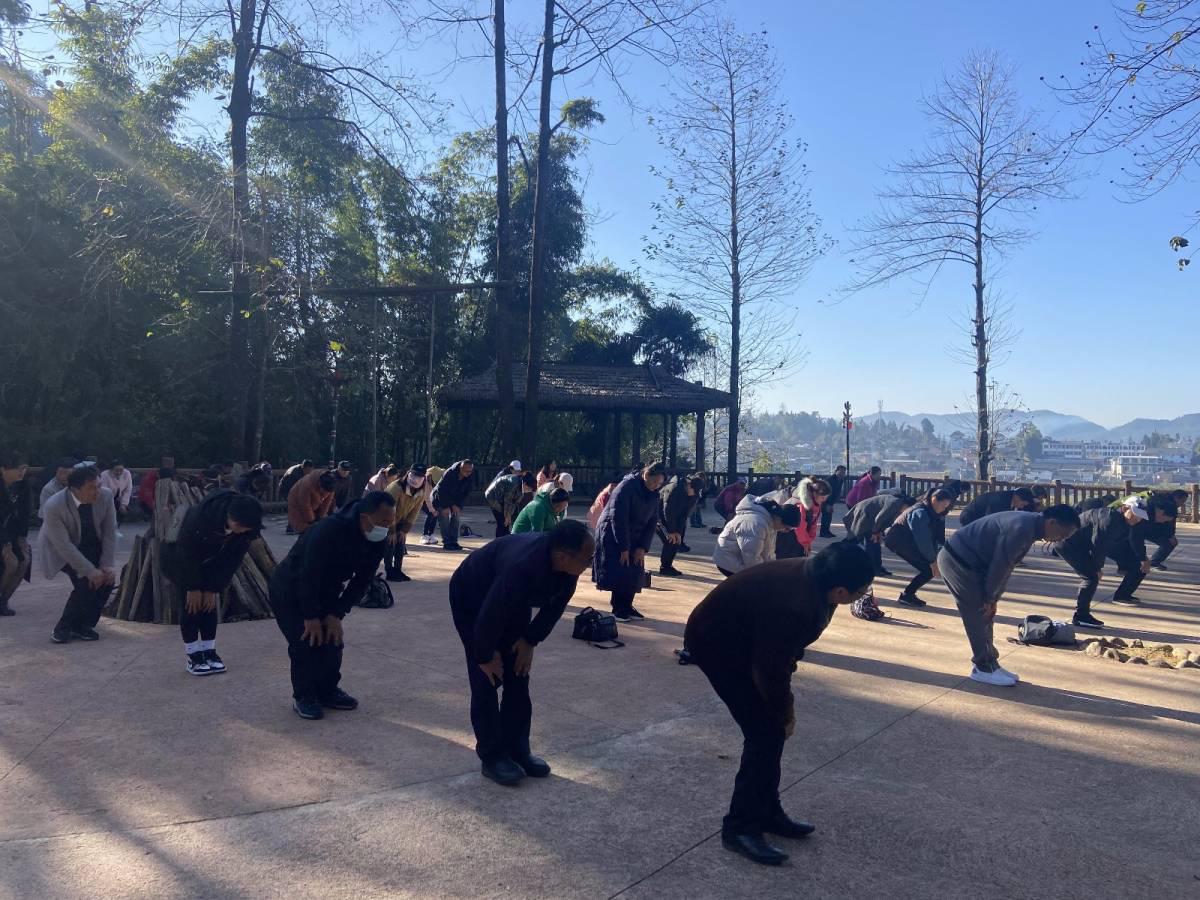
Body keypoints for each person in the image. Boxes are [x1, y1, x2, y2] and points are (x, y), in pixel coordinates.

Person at [685, 542, 875, 866]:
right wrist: (786, 713)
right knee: (764, 734)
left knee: (769, 734)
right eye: (861, 592)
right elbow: (770, 670)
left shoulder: (817, 579)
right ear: (841, 591)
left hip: (747, 640)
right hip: (717, 645)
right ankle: (739, 827)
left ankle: (767, 811)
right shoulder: (795, 603)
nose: (863, 596)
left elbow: (782, 650)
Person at [449, 520, 595, 785]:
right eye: (588, 559)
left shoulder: (569, 569)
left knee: (518, 675)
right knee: (486, 681)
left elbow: (554, 609)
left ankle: (518, 749)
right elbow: (491, 613)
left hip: (512, 601)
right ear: (563, 556)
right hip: (472, 597)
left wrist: (529, 640)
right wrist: (484, 655)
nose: (590, 564)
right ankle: (492, 757)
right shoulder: (522, 566)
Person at [268, 491, 396, 720]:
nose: (387, 528)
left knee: (332, 639)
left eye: (391, 522)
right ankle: (304, 696)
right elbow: (309, 575)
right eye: (384, 522)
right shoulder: (328, 530)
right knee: (305, 641)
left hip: (327, 589)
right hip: (291, 589)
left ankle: (328, 691)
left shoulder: (377, 539)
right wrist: (311, 616)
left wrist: (337, 613)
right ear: (365, 517)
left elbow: (362, 580)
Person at [938, 505, 1080, 686]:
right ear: (1052, 522)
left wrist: (993, 598)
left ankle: (991, 662)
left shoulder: (1031, 526)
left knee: (986, 614)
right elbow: (1001, 566)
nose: (1060, 539)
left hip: (972, 564)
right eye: (1063, 534)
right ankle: (982, 667)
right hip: (957, 561)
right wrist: (989, 598)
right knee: (977, 613)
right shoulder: (1022, 528)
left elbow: (1006, 567)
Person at [161, 490, 263, 675]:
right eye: (240, 526)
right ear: (230, 517)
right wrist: (192, 587)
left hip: (212, 563)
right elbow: (185, 554)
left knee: (208, 605)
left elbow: (231, 561)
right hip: (180, 561)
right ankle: (193, 655)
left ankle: (209, 651)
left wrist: (213, 588)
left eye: (246, 528)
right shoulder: (199, 518)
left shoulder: (246, 531)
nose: (242, 531)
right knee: (191, 607)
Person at [1056, 496, 1174, 628]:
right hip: (1068, 544)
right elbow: (1098, 545)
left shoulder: (1127, 521)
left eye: (1140, 517)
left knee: (1094, 575)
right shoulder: (1109, 520)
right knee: (1091, 577)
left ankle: (1083, 614)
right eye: (1135, 515)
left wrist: (1141, 558)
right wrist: (1097, 568)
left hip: (1082, 544)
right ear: (1124, 508)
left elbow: (1134, 539)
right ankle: (1081, 616)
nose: (1137, 519)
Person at [36, 465, 118, 644]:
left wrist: (107, 564)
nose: (97, 491)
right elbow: (63, 545)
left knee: (106, 581)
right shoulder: (54, 505)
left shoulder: (106, 496)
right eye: (92, 488)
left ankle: (84, 626)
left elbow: (109, 531)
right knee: (86, 583)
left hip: (91, 543)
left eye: (99, 485)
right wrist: (89, 571)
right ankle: (62, 629)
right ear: (75, 489)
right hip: (60, 548)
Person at [592, 462, 666, 621]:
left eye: (659, 483)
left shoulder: (654, 494)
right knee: (621, 567)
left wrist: (642, 547)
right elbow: (618, 518)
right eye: (654, 481)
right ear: (646, 475)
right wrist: (624, 547)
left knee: (635, 568)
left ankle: (627, 605)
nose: (656, 486)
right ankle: (618, 608)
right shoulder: (626, 487)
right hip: (613, 533)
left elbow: (652, 522)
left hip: (636, 534)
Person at [884, 488, 954, 607]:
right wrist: (932, 560)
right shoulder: (920, 512)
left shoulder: (932, 512)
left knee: (929, 569)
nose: (944, 509)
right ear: (934, 499)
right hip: (899, 541)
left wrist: (938, 554)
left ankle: (908, 594)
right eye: (943, 505)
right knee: (929, 570)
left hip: (908, 541)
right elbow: (923, 540)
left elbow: (935, 537)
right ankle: (907, 595)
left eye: (946, 506)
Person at [713, 497, 802, 577]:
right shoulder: (755, 524)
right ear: (779, 518)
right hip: (728, 560)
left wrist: (774, 570)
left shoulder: (771, 524)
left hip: (742, 558)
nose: (786, 531)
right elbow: (751, 558)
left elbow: (768, 553)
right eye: (787, 528)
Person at [842, 490, 916, 577]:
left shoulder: (899, 506)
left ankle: (877, 567)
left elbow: (885, 521)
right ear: (906, 505)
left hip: (872, 519)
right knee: (865, 542)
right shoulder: (894, 503)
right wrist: (875, 532)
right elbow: (880, 518)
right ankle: (873, 568)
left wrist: (879, 532)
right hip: (865, 514)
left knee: (874, 543)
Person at [384, 465, 431, 583]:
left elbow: (415, 511)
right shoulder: (396, 488)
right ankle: (389, 571)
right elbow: (388, 510)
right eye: (414, 475)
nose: (415, 478)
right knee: (390, 544)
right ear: (409, 473)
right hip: (384, 519)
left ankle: (397, 569)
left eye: (419, 476)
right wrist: (392, 531)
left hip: (401, 519)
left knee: (400, 544)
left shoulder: (422, 491)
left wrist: (404, 530)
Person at [0, 452, 32, 616]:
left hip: (13, 534)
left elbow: (25, 515)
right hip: (2, 535)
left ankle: (4, 601)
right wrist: (5, 543)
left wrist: (22, 539)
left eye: (24, 469)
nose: (21, 473)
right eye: (18, 469)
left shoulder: (23, 486)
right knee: (11, 563)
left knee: (24, 561)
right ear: (3, 470)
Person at [657, 474, 704, 576]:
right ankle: (664, 567)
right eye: (694, 490)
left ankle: (668, 565)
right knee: (670, 540)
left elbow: (684, 515)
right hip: (658, 516)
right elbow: (667, 511)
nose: (694, 494)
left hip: (675, 517)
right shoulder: (674, 488)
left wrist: (678, 532)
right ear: (688, 485)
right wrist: (671, 531)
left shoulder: (694, 494)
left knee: (677, 540)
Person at [774, 478, 830, 560]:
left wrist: (809, 541)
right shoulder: (799, 503)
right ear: (814, 494)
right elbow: (800, 526)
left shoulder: (815, 504)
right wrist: (805, 543)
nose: (824, 500)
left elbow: (813, 525)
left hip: (799, 538)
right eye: (822, 497)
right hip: (789, 536)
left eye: (826, 498)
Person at [431, 459, 475, 551]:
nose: (468, 473)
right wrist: (445, 506)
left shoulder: (470, 476)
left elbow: (466, 493)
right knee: (444, 516)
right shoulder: (450, 473)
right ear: (460, 468)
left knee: (456, 516)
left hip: (455, 499)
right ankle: (447, 542)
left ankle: (454, 541)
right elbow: (441, 490)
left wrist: (458, 505)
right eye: (466, 471)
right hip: (440, 498)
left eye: (470, 471)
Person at [957, 486, 1042, 527]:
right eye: (1023, 504)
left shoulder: (1010, 499)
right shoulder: (1000, 500)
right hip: (970, 517)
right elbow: (990, 521)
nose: (1022, 507)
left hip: (980, 519)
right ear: (1017, 497)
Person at [485, 469, 534, 538]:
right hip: (493, 496)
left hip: (502, 498)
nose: (528, 491)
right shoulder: (513, 483)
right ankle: (499, 541)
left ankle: (505, 539)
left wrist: (509, 515)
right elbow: (507, 501)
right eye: (528, 489)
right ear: (525, 484)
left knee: (507, 522)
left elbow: (515, 503)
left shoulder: (522, 488)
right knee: (502, 522)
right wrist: (507, 516)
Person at [287, 469, 336, 534]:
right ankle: (293, 527)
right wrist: (311, 521)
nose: (323, 491)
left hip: (315, 502)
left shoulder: (331, 486)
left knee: (317, 525)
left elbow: (326, 504)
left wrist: (320, 517)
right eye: (323, 489)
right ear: (320, 483)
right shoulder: (307, 484)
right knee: (302, 526)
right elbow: (305, 505)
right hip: (296, 499)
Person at [420, 464, 447, 545]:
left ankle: (431, 534)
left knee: (435, 515)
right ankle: (424, 535)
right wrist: (432, 509)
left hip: (432, 499)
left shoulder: (442, 475)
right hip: (421, 500)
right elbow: (427, 498)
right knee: (430, 513)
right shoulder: (425, 481)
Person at [819, 466, 848, 537]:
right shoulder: (830, 480)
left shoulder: (840, 480)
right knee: (825, 516)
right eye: (841, 472)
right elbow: (827, 493)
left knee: (829, 516)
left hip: (831, 501)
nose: (842, 474)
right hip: (824, 499)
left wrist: (832, 503)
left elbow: (837, 492)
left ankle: (827, 531)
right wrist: (828, 504)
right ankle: (823, 532)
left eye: (844, 472)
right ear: (836, 471)